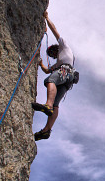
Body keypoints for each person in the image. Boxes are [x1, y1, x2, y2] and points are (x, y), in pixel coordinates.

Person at [32, 11, 75, 141]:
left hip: (66, 72)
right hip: (68, 78)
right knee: (56, 104)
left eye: (52, 53)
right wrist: (40, 64)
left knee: (50, 80)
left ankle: (47, 106)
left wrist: (46, 18)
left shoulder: (64, 46)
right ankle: (46, 131)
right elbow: (47, 70)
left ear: (56, 49)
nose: (53, 55)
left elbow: (54, 30)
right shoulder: (60, 61)